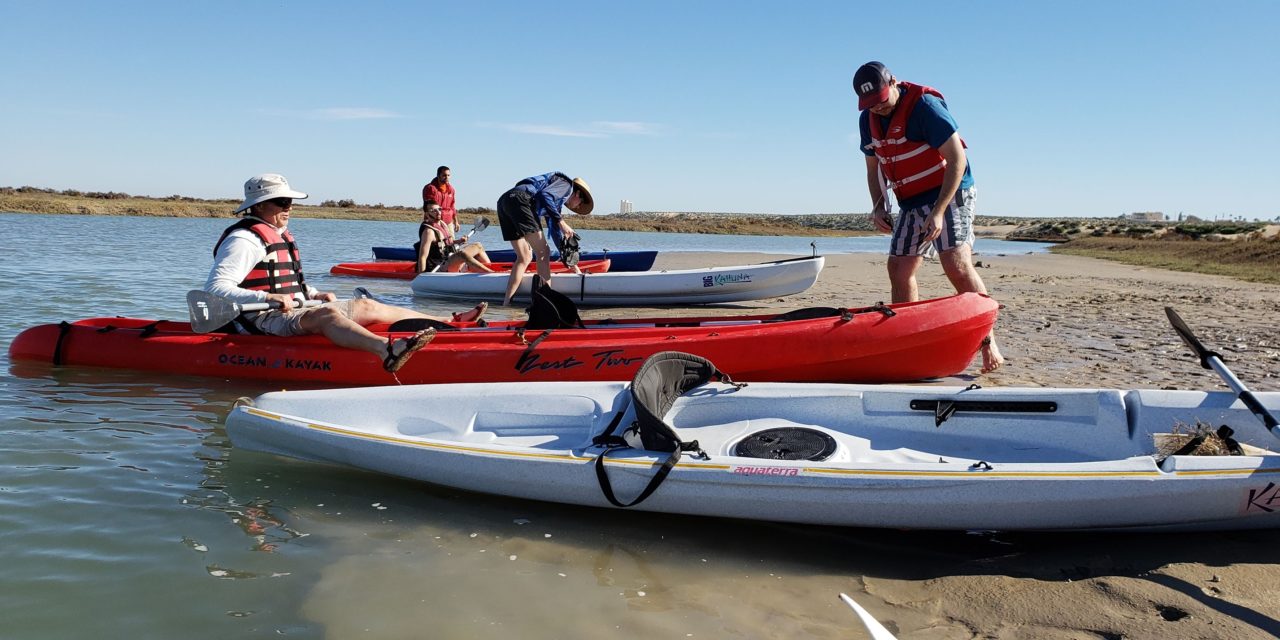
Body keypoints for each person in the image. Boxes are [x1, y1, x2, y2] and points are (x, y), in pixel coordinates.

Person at [205, 173, 487, 373]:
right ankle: (386, 350)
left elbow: (286, 280)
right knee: (328, 315)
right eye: (280, 202)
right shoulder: (244, 240)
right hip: (262, 319)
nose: (288, 207)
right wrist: (269, 298)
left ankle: (447, 320)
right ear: (259, 205)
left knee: (367, 305)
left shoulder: (276, 234)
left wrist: (313, 293)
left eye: (289, 201)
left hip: (291, 309)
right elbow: (216, 288)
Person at [853, 61, 1004, 374]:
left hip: (950, 190)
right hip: (911, 198)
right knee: (899, 266)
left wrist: (937, 212)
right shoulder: (868, 120)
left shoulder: (925, 106)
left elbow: (957, 159)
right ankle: (908, 340)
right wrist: (878, 206)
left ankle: (988, 343)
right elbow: (873, 170)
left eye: (881, 100)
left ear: (893, 82)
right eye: (870, 104)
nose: (877, 108)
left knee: (956, 264)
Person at [495, 172, 594, 306]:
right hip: (520, 200)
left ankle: (506, 304)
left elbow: (555, 233)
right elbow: (544, 195)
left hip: (504, 202)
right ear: (577, 194)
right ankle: (544, 302)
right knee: (544, 253)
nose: (577, 207)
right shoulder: (566, 186)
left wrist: (572, 263)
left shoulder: (554, 203)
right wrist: (562, 223)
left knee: (524, 257)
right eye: (580, 203)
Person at [415, 198, 495, 274]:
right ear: (427, 214)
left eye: (439, 209)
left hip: (449, 260)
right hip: (439, 267)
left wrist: (459, 241)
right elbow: (422, 257)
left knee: (478, 245)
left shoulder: (442, 224)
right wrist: (421, 276)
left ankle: (491, 270)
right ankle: (490, 274)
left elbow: (447, 242)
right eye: (433, 211)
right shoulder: (428, 232)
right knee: (461, 254)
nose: (438, 212)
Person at [422, 165, 459, 234]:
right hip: (435, 221)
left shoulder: (451, 190)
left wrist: (456, 222)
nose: (447, 177)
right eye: (444, 175)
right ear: (438, 175)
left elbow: (452, 206)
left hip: (448, 222)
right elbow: (429, 207)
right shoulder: (430, 188)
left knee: (451, 243)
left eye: (448, 175)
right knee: (437, 243)